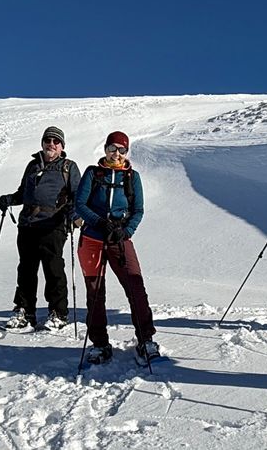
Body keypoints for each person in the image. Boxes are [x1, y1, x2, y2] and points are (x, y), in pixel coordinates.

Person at [74, 131, 159, 365]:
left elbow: (138, 210)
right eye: (112, 148)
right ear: (105, 149)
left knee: (135, 286)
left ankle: (145, 340)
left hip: (120, 240)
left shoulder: (132, 177)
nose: (117, 154)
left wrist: (126, 231)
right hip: (92, 239)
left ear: (127, 152)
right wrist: (99, 222)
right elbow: (79, 204)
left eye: (122, 150)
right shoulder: (93, 173)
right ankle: (100, 344)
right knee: (95, 291)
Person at [0, 126, 82, 330]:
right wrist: (9, 199)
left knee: (53, 269)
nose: (51, 144)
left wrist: (74, 216)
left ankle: (58, 313)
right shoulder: (32, 166)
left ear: (62, 146)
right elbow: (23, 193)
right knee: (26, 270)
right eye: (47, 140)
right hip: (27, 224)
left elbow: (78, 195)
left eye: (55, 141)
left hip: (53, 225)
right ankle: (25, 312)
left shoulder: (68, 167)